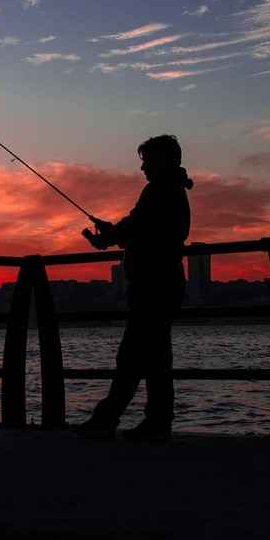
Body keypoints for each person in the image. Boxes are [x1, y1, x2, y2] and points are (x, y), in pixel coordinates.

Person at [77, 135, 193, 441]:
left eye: (147, 161)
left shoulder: (159, 191)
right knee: (154, 358)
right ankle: (153, 421)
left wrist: (110, 235)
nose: (143, 168)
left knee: (133, 357)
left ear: (163, 160)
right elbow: (144, 231)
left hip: (153, 286)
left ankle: (111, 418)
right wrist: (113, 233)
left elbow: (138, 228)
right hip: (163, 283)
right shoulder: (173, 189)